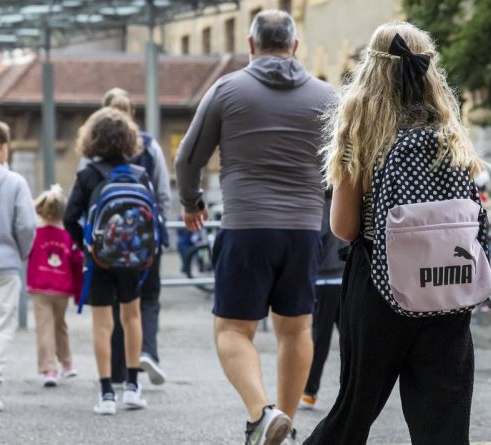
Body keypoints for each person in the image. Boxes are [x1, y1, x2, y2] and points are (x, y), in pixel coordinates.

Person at [304, 21, 488, 445]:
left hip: (379, 287)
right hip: (447, 284)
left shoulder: (359, 129)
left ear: (371, 67)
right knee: (442, 423)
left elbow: (344, 227)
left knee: (353, 413)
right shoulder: (449, 128)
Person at [174, 9, 336, 445]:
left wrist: (192, 203)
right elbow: (346, 166)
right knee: (297, 328)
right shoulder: (328, 98)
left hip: (246, 225)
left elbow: (188, 158)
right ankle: (283, 421)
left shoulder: (227, 90)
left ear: (251, 46)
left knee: (231, 329)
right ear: (295, 47)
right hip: (305, 230)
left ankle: (261, 414)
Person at [82, 88, 172, 386]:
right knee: (146, 300)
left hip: (103, 249)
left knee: (109, 309)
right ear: (132, 115)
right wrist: (159, 231)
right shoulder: (149, 148)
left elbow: (79, 209)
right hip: (143, 243)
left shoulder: (90, 165)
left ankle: (114, 375)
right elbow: (161, 193)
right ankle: (146, 355)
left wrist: (86, 241)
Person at [65, 107, 152, 415]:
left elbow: (69, 217)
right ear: (128, 139)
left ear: (93, 139)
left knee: (102, 325)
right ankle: (131, 386)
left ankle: (105, 394)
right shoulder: (140, 174)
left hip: (99, 260)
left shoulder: (87, 175)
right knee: (132, 319)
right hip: (133, 260)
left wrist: (86, 245)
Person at [27, 184, 83, 388]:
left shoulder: (35, 233)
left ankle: (49, 368)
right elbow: (77, 259)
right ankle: (67, 363)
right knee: (60, 326)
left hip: (39, 287)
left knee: (44, 328)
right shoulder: (68, 235)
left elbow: (26, 251)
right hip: (62, 288)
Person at [0, 120, 36, 412]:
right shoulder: (15, 182)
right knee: (2, 328)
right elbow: (25, 225)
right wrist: (21, 253)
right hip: (6, 265)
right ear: (2, 147)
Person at [299, 190, 347, 410]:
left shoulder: (320, 209)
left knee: (320, 338)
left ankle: (310, 390)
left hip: (325, 280)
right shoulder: (346, 200)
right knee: (349, 339)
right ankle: (353, 390)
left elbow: (316, 242)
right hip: (346, 278)